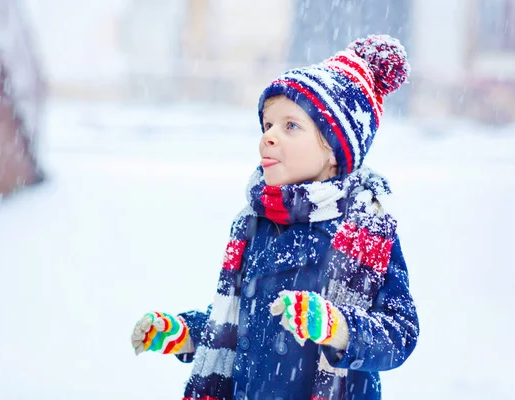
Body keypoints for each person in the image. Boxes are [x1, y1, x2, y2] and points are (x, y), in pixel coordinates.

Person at [131, 34, 419, 400]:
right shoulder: (255, 223)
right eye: (267, 125)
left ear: (335, 148)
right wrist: (185, 332)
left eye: (290, 126)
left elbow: (400, 332)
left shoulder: (366, 231)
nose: (268, 137)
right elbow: (239, 323)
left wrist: (338, 328)